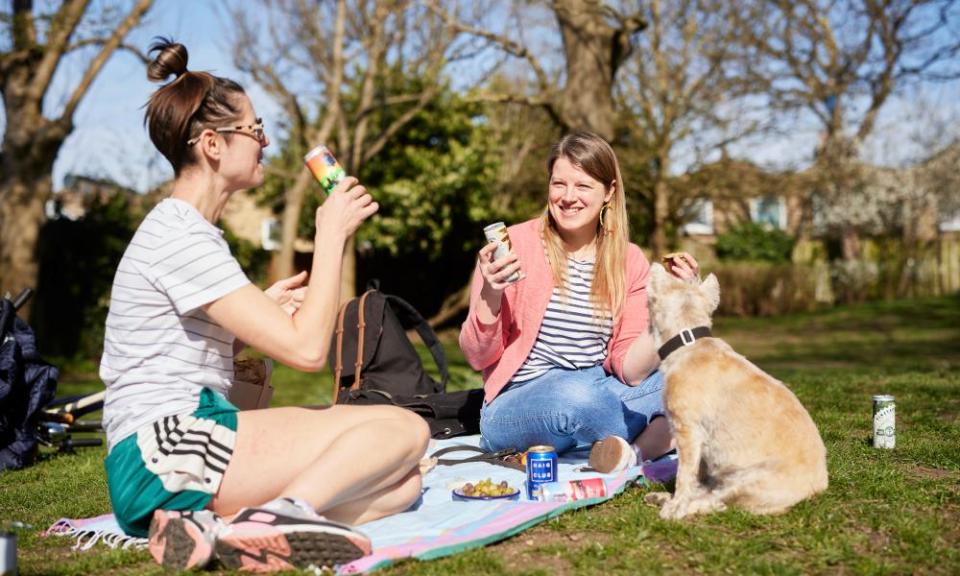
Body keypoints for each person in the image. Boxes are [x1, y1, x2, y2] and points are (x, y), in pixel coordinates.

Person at [100, 39, 430, 573]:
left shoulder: (189, 232)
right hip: (163, 452)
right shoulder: (180, 235)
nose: (266, 140)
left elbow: (184, 349)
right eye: (254, 129)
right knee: (403, 430)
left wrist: (247, 329)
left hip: (166, 459)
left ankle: (214, 533)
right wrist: (330, 235)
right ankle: (275, 520)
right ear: (212, 144)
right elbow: (305, 350)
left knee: (399, 485)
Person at [459, 131, 699, 473]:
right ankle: (664, 436)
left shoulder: (628, 259)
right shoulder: (513, 245)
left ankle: (628, 454)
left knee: (691, 370)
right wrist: (490, 294)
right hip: (519, 405)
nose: (568, 197)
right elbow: (476, 356)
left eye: (583, 186)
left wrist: (672, 306)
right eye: (559, 184)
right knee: (576, 396)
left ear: (609, 193)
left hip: (600, 388)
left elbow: (631, 371)